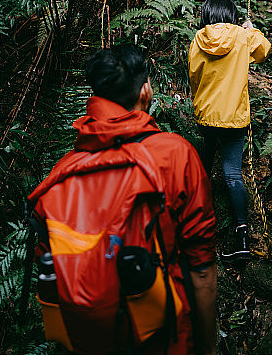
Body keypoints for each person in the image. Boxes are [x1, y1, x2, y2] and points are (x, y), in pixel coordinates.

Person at [30, 44, 217, 355]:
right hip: (163, 333)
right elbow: (201, 268)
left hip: (90, 337)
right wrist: (209, 348)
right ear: (144, 92)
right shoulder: (175, 154)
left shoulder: (64, 172)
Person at [188, 0, 271, 261]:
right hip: (234, 117)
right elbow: (264, 51)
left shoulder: (198, 40)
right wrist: (252, 30)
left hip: (207, 116)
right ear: (231, 14)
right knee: (233, 174)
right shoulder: (242, 36)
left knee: (204, 168)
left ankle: (195, 231)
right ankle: (242, 240)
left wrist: (200, 103)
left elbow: (193, 77)